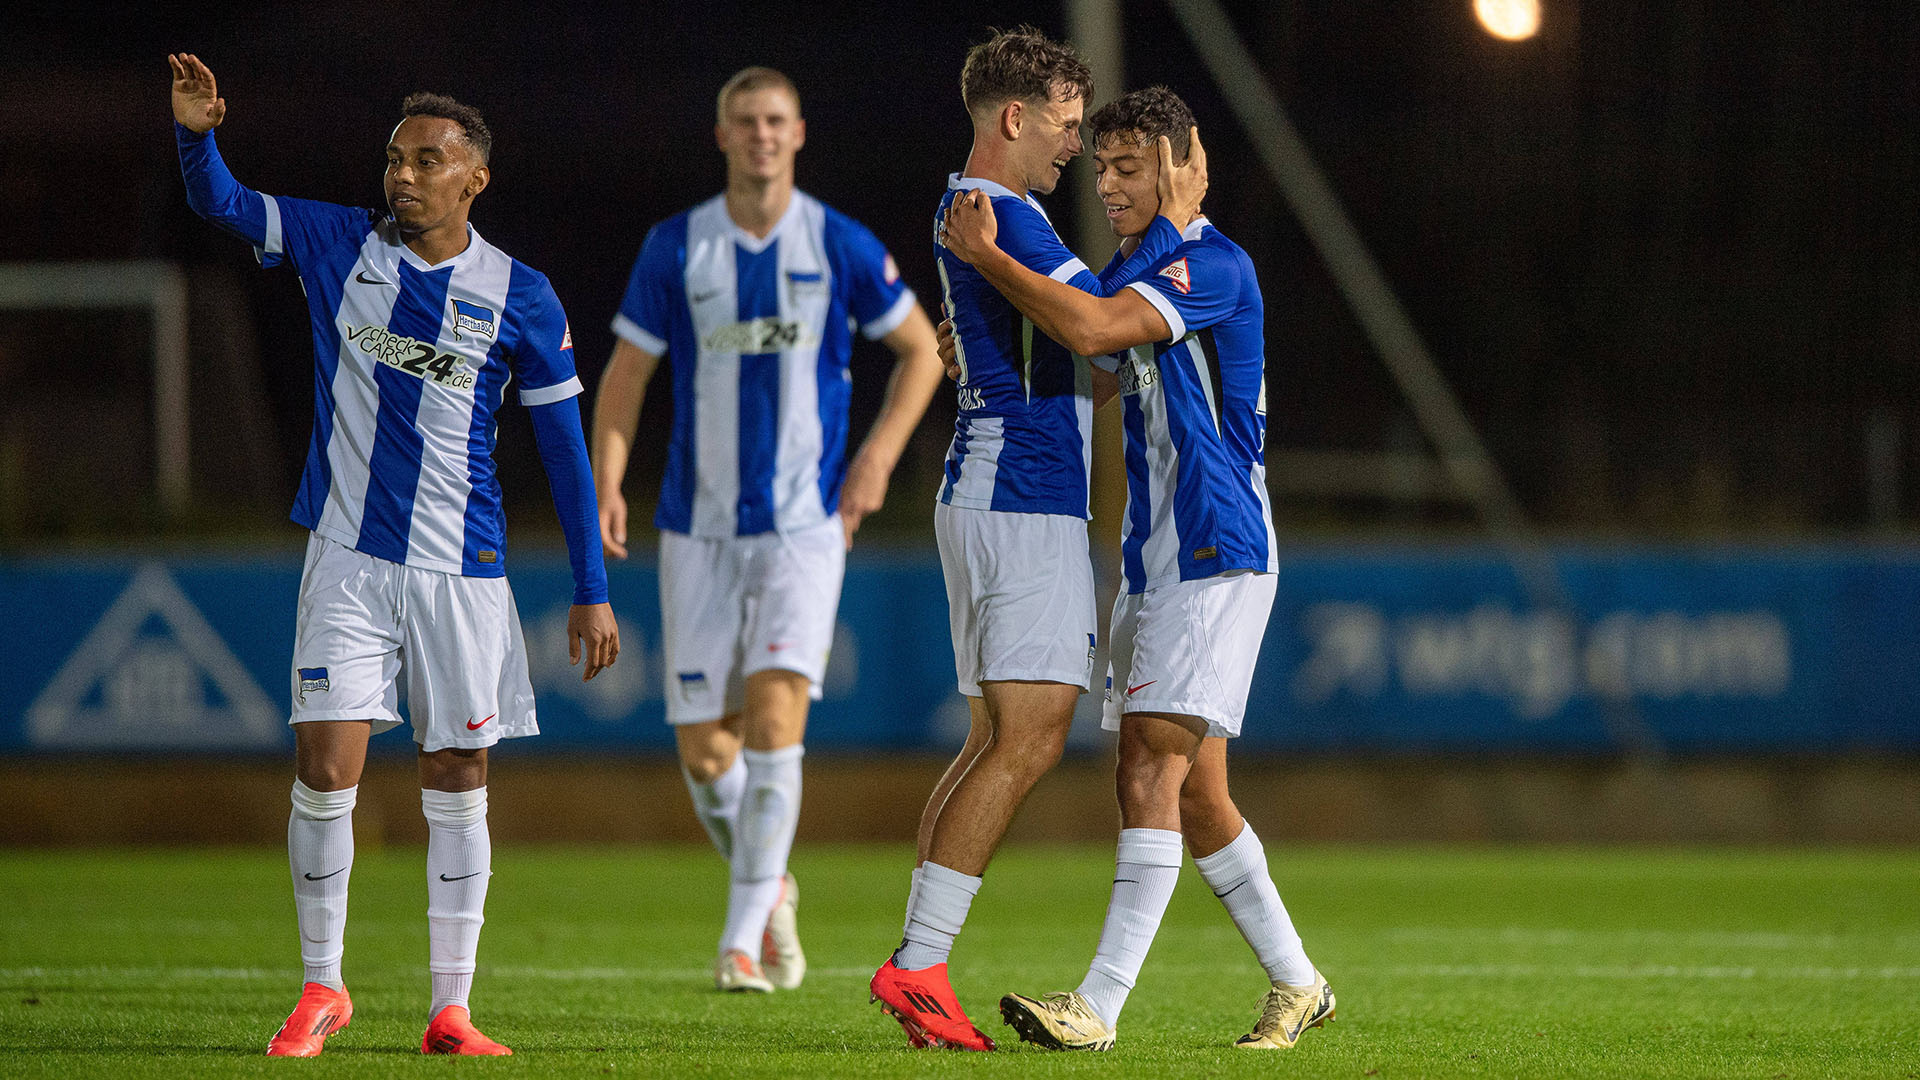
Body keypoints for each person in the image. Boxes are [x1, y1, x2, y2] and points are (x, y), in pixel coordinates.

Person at [169, 53, 620, 1058]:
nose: (404, 176)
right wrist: (199, 135)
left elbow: (564, 452)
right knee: (327, 767)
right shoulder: (338, 243)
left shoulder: (522, 295)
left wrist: (592, 589)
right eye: (394, 159)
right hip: (348, 557)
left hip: (463, 571)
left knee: (457, 773)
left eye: (427, 161)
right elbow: (227, 205)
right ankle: (322, 986)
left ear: (475, 179)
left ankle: (450, 1009)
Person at [938, 86, 1334, 1051]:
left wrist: (990, 260)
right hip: (1157, 561)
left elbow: (1093, 334)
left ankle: (1098, 1006)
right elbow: (1097, 369)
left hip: (1217, 547)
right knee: (1197, 790)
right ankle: (1298, 982)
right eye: (1102, 168)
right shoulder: (1139, 266)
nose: (1108, 187)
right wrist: (988, 352)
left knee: (1148, 759)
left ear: (1183, 165)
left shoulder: (1211, 264)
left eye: (1130, 169)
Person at [867, 29, 1205, 1052]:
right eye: (1064, 125)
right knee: (1030, 738)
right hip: (1021, 495)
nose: (1073, 147)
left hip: (991, 486)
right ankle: (920, 967)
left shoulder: (979, 217)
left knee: (992, 737)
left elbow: (1080, 340)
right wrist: (1168, 251)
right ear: (1013, 118)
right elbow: (1100, 328)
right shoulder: (1001, 214)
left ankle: (919, 965)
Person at [592, 66, 943, 994]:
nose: (760, 135)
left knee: (778, 716)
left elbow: (919, 353)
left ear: (798, 134)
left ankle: (740, 941)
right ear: (722, 136)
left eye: (775, 120)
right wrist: (607, 483)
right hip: (698, 529)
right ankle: (770, 884)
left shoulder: (839, 243)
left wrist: (874, 461)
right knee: (709, 751)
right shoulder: (678, 247)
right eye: (744, 120)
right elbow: (626, 373)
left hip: (803, 527)